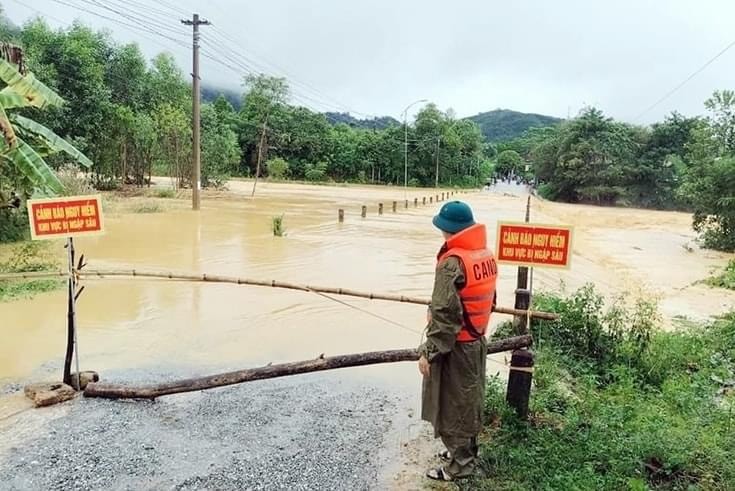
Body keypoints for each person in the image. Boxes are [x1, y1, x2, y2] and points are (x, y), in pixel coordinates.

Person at [418, 201, 498, 482]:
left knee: (452, 405)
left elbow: (444, 315)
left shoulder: (452, 263)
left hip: (456, 346)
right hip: (477, 341)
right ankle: (466, 451)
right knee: (470, 398)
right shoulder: (484, 255)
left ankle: (460, 466)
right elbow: (490, 300)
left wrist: (428, 352)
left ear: (446, 229)